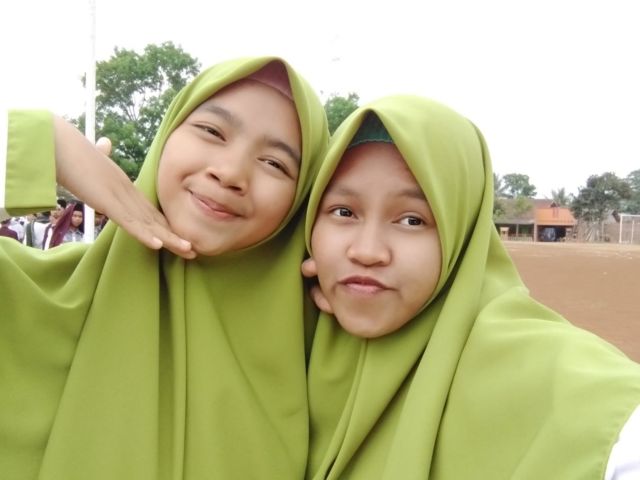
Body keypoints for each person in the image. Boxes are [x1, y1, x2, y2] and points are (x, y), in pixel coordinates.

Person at [0, 56, 328, 479]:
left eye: (275, 163)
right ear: (165, 137)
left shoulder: (326, 345)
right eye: (212, 131)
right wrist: (32, 144)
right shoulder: (38, 293)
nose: (230, 173)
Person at [300, 99, 640, 479]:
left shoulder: (536, 369)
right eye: (343, 212)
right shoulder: (299, 344)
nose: (366, 252)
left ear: (461, 234)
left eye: (412, 220)